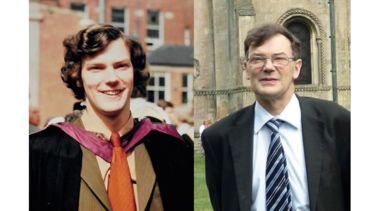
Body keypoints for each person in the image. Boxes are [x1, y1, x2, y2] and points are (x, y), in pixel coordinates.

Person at [30, 24, 193, 211]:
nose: (112, 78)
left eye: (121, 66)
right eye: (96, 68)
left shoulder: (172, 147)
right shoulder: (39, 153)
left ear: (134, 72)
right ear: (77, 76)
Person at [202, 24, 350, 211]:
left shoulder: (339, 123)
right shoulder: (218, 137)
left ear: (296, 68)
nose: (268, 67)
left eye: (279, 58)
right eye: (257, 59)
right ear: (246, 69)